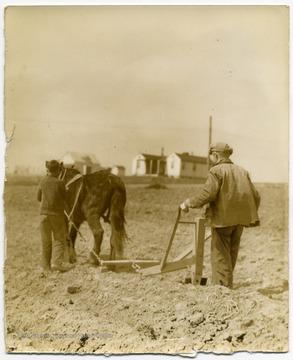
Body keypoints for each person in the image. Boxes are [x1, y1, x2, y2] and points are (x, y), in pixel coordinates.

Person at [180, 142, 260, 289]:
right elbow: (256, 196)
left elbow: (207, 194)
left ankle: (222, 291)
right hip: (240, 222)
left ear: (215, 155)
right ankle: (226, 287)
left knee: (220, 256)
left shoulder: (216, 171)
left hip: (222, 221)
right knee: (230, 255)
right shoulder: (242, 171)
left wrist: (188, 203)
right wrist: (246, 215)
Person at [37, 160, 72, 272]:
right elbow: (65, 199)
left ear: (48, 170)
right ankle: (56, 263)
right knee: (58, 239)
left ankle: (45, 266)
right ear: (58, 170)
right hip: (57, 216)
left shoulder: (42, 181)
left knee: (46, 241)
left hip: (44, 215)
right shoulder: (60, 182)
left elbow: (38, 197)